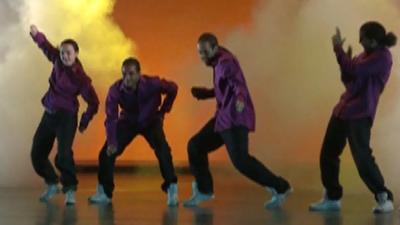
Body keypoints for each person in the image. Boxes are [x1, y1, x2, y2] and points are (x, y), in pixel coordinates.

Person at [184, 33, 292, 209]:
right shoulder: (217, 61)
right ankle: (204, 190)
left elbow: (238, 85)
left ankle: (281, 187)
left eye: (204, 52)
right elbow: (225, 86)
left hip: (234, 118)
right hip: (222, 118)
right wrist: (206, 93)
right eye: (199, 53)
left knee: (241, 161)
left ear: (214, 48)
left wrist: (241, 99)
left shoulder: (226, 62)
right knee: (195, 146)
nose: (202, 57)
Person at [309, 21, 397, 213]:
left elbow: (355, 70)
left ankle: (384, 197)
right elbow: (350, 81)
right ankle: (332, 197)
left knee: (362, 157)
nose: (359, 40)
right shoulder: (363, 56)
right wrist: (345, 62)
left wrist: (338, 49)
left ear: (373, 40)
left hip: (360, 114)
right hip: (342, 110)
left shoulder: (383, 57)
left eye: (363, 37)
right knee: (328, 154)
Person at [88, 57, 179, 206]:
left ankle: (172, 189)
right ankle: (105, 192)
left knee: (163, 150)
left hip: (150, 121)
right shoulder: (115, 90)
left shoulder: (152, 83)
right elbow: (111, 118)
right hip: (128, 122)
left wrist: (163, 111)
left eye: (131, 74)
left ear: (139, 74)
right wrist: (112, 142)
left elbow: (173, 88)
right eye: (124, 74)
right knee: (106, 153)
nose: (127, 78)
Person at [29, 25, 100, 205]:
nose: (64, 56)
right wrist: (37, 35)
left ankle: (70, 189)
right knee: (37, 154)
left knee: (63, 155)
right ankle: (52, 182)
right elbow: (47, 47)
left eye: (68, 53)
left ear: (76, 54)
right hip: (49, 113)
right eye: (62, 52)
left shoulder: (81, 78)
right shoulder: (57, 61)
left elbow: (94, 102)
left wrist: (84, 122)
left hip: (66, 118)